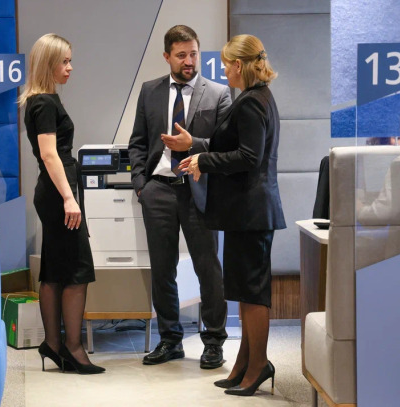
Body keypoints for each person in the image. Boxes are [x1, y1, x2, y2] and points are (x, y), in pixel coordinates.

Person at [180, 34, 286, 396]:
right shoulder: (257, 98)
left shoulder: (252, 102)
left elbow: (249, 157)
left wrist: (204, 160)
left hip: (252, 212)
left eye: (226, 64)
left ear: (239, 65)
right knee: (244, 290)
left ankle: (258, 366)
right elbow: (236, 146)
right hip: (248, 212)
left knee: (253, 294)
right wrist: (200, 151)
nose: (223, 70)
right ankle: (244, 365)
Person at [128, 25, 230, 369]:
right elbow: (137, 142)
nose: (189, 61)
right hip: (157, 190)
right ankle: (170, 340)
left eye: (193, 54)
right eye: (182, 55)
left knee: (208, 269)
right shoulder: (149, 91)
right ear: (167, 56)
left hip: (199, 189)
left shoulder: (218, 93)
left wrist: (194, 145)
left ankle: (213, 341)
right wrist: (141, 184)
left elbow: (227, 146)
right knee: (162, 269)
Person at [19, 33, 104, 374]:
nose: (70, 67)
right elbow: (49, 154)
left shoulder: (42, 100)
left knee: (55, 269)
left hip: (55, 192)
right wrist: (70, 198)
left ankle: (53, 345)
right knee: (77, 270)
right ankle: (73, 348)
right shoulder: (44, 103)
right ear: (48, 63)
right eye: (65, 61)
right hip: (58, 194)